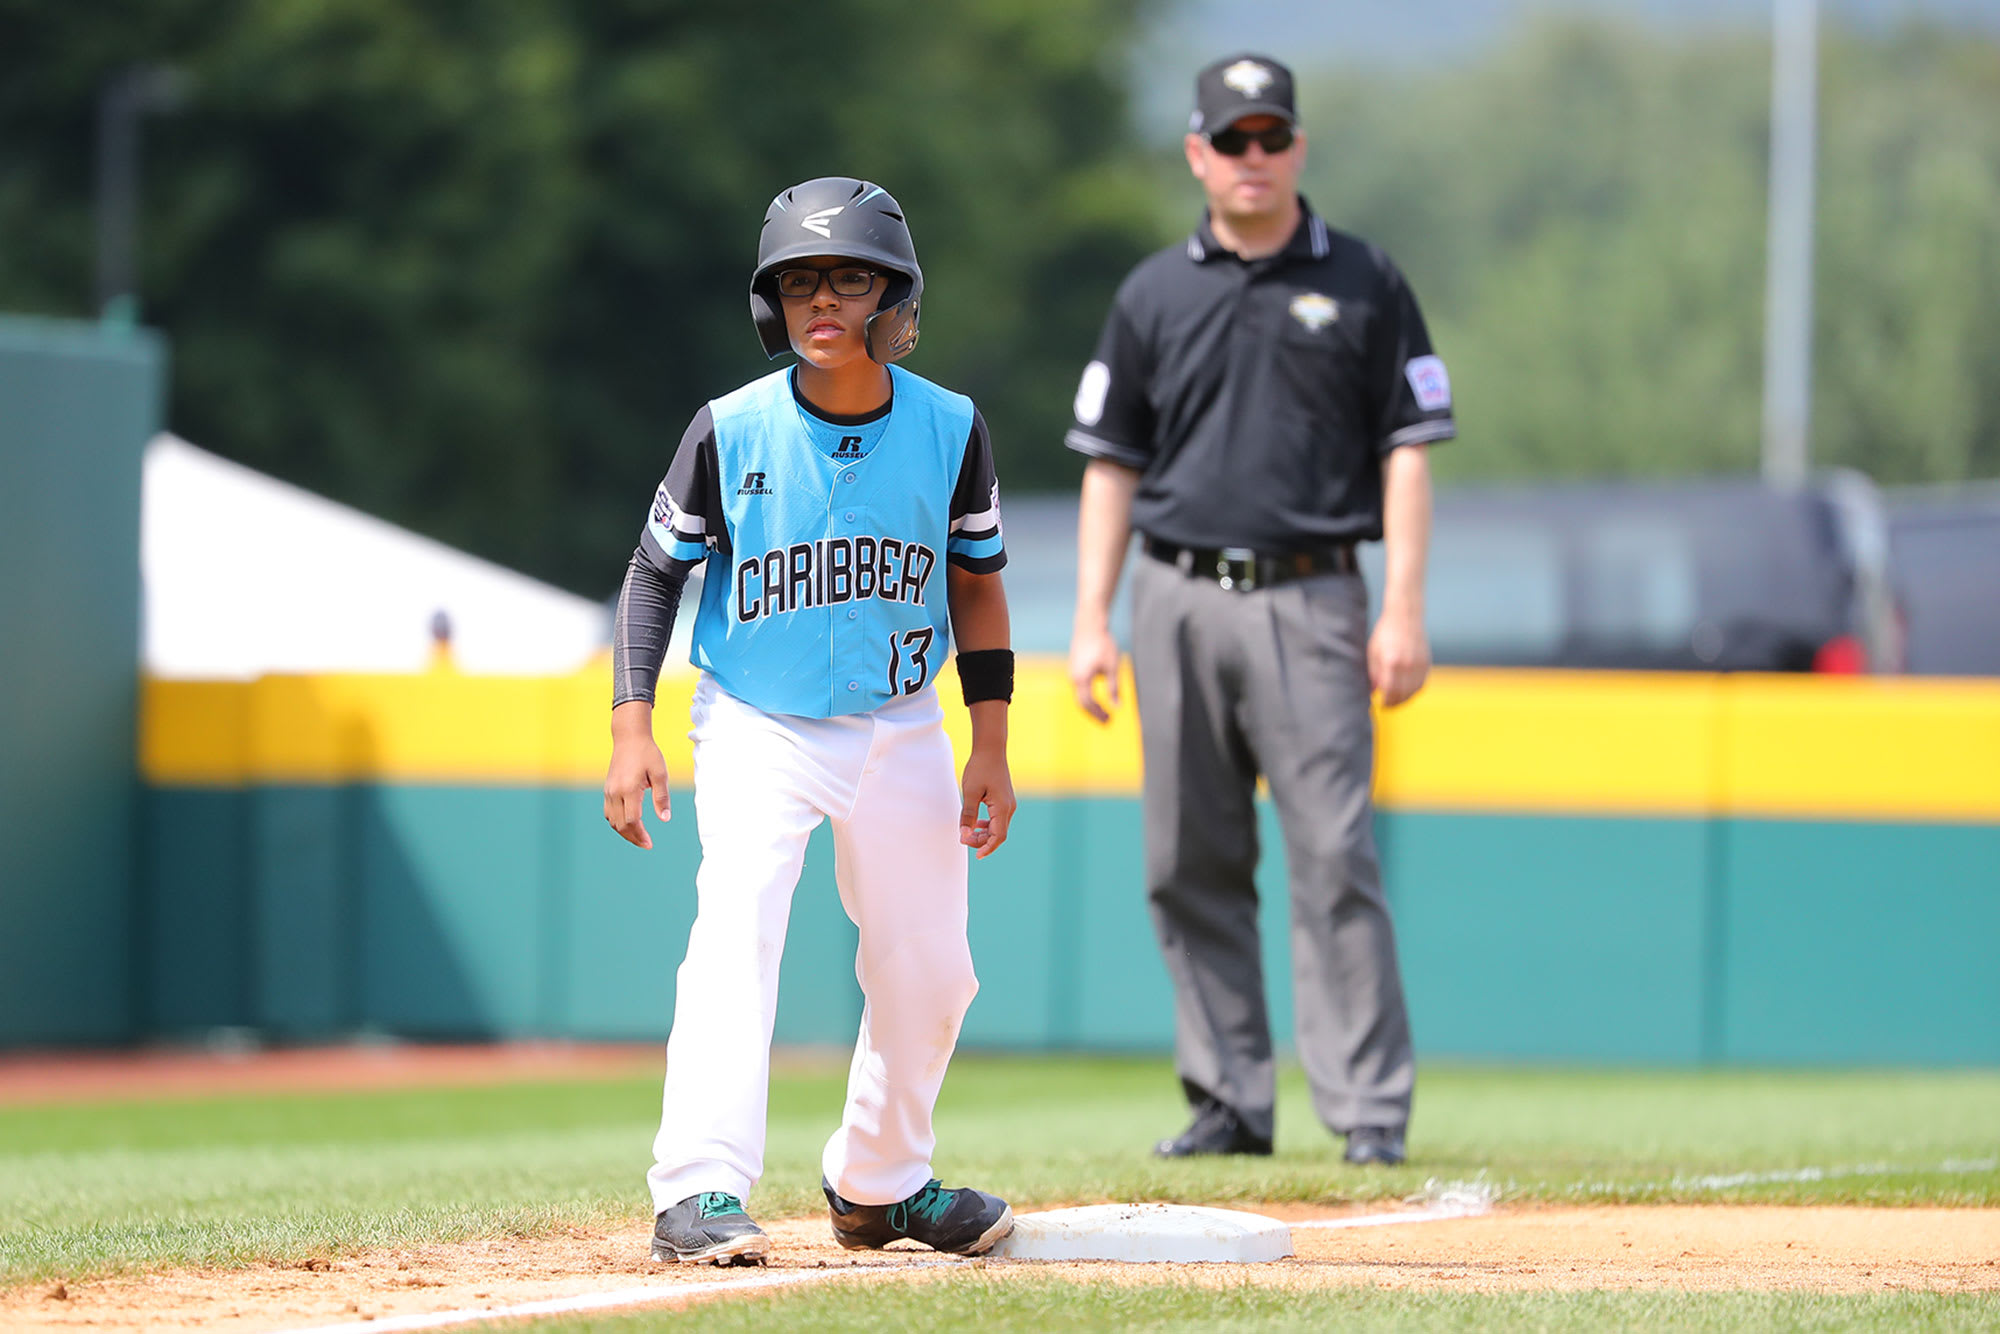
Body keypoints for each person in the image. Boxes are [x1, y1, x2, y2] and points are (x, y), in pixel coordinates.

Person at [603, 177, 1018, 1265]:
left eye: (846, 278)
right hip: (757, 722)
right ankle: (697, 1188)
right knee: (736, 928)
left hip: (901, 719)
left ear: (897, 297)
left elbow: (976, 581)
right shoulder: (727, 428)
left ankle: (876, 1184)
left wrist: (992, 740)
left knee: (932, 966)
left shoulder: (949, 426)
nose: (819, 300)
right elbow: (653, 576)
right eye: (796, 282)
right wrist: (630, 722)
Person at [1066, 54, 1454, 1168]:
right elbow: (1109, 465)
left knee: (1333, 855)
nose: (1250, 157)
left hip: (1313, 594)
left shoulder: (1367, 281)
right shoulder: (1151, 294)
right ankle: (1229, 1097)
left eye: (1268, 136)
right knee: (1186, 856)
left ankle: (1368, 1110)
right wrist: (1090, 618)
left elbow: (1409, 450)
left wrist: (1405, 610)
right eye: (1228, 139)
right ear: (1195, 151)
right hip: (1174, 593)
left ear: (1295, 146)